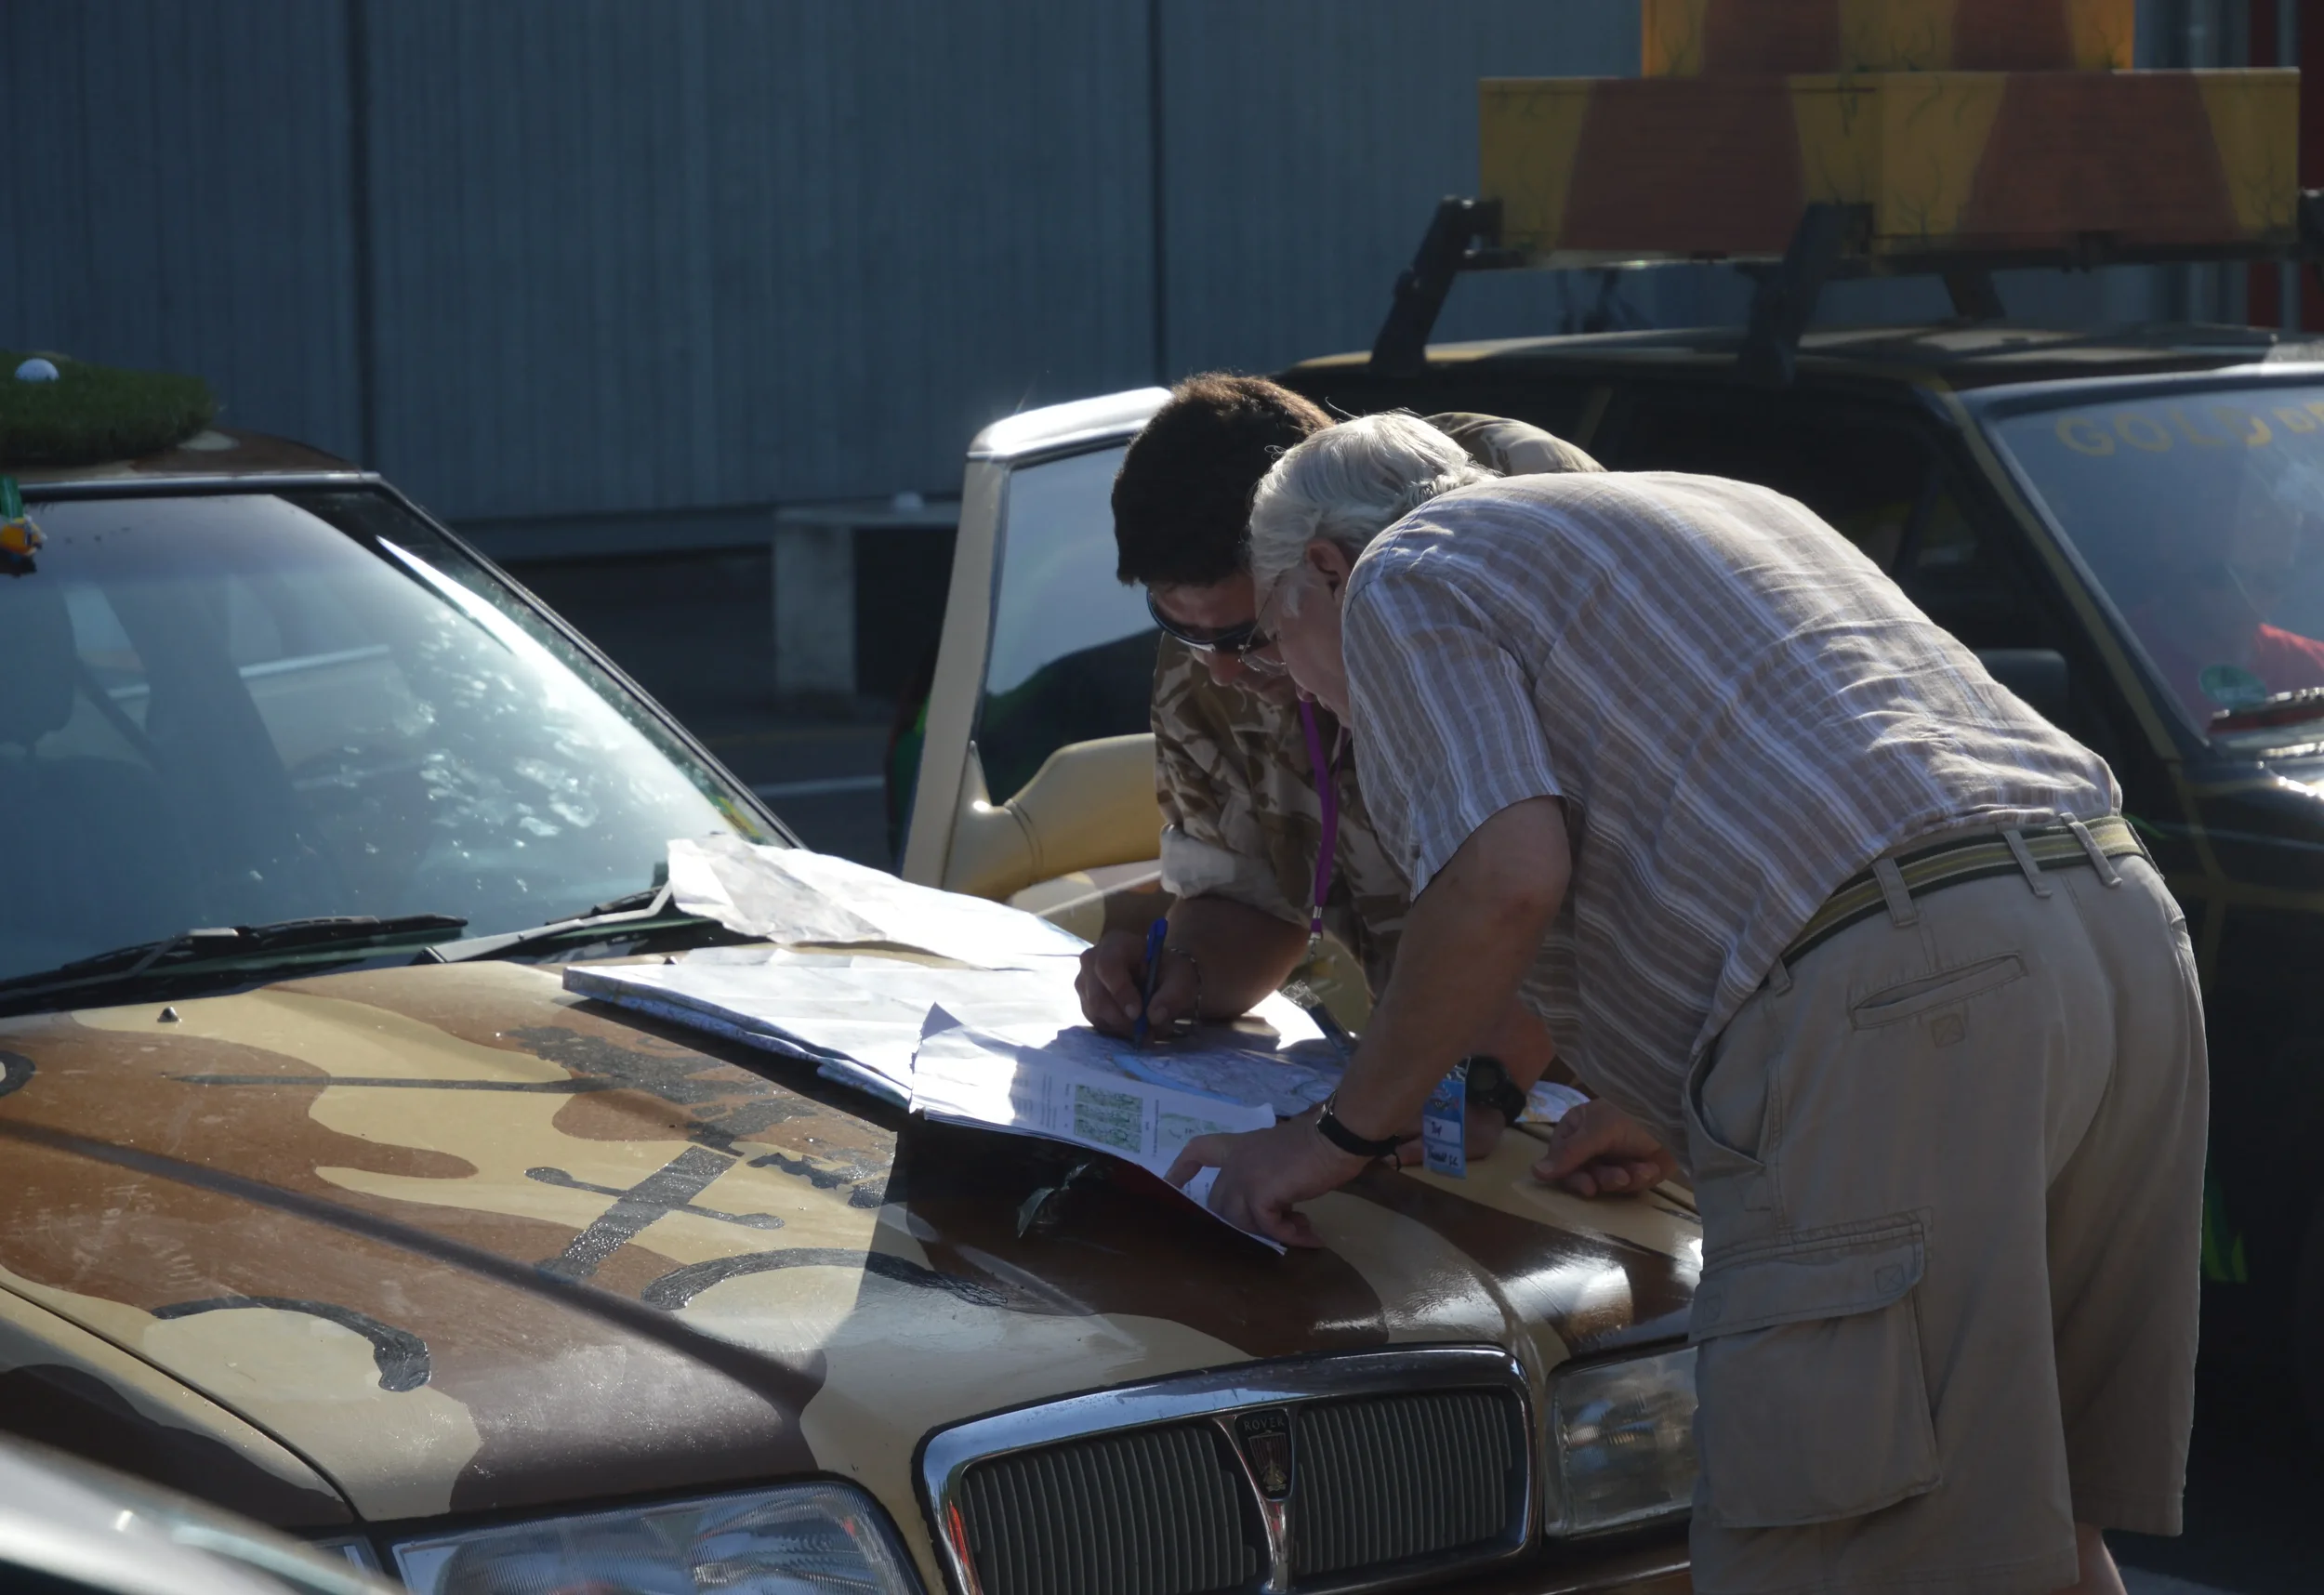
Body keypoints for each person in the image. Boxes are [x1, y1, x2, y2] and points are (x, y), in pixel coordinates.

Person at [1171, 414, 2205, 1595]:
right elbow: (1792, 800)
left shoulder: (1407, 570)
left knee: (1830, 1550)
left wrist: (1334, 1134)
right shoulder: (1709, 504)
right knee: (2041, 1531)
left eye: (1270, 647)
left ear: (1322, 567)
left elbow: (1503, 877)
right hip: (2115, 933)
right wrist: (1675, 1094)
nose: (1290, 684)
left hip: (1915, 1001)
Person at [1077, 374, 1623, 1164]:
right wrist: (1176, 977)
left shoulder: (1497, 516)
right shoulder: (1210, 654)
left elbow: (1551, 887)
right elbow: (1250, 895)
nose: (1225, 674)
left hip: (1596, 1099)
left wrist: (1473, 1091)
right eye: (1184, 630)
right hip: (1424, 1099)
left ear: (1321, 561)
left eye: (1250, 636)